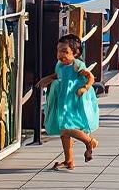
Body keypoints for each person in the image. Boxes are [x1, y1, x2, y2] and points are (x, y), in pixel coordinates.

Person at [38, 34, 99, 170]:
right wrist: (47, 79)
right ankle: (69, 160)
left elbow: (91, 77)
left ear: (75, 53)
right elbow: (58, 75)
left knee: (67, 128)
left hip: (73, 101)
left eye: (65, 52)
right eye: (59, 51)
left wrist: (85, 87)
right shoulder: (59, 65)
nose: (61, 55)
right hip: (62, 100)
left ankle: (89, 141)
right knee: (63, 132)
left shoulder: (77, 65)